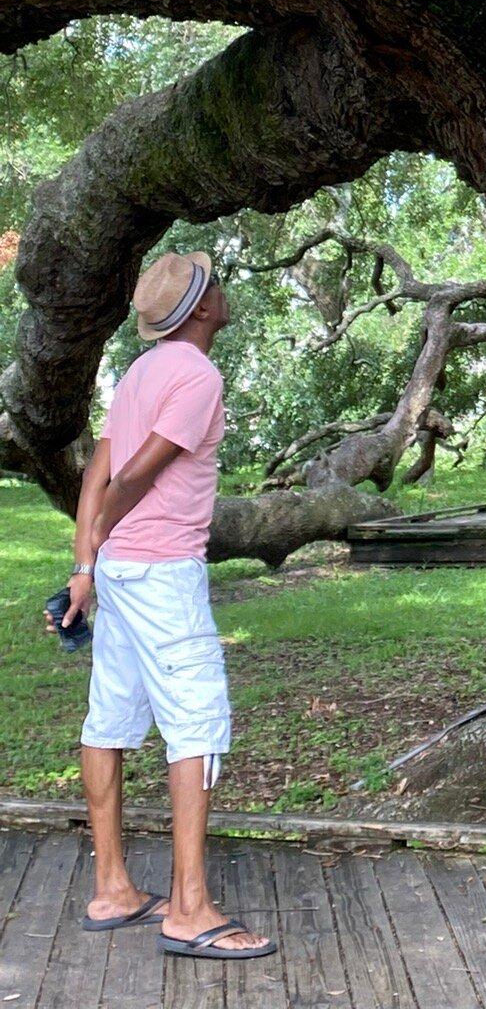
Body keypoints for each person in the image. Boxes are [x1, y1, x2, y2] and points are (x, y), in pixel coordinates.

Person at [45, 250, 277, 962]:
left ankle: (113, 890)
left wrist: (88, 566)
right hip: (163, 574)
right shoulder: (198, 375)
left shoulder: (142, 372)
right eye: (212, 285)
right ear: (201, 309)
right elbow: (136, 476)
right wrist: (110, 538)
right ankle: (189, 909)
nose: (220, 289)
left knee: (108, 719)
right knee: (198, 726)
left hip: (119, 575)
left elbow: (97, 471)